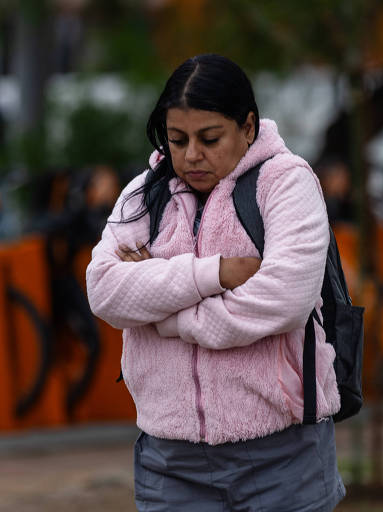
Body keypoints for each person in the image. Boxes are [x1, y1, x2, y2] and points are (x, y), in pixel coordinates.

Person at [86, 54, 345, 511]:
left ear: (248, 127)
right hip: (170, 461)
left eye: (209, 139)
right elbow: (104, 290)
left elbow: (285, 300)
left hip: (282, 455)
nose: (190, 156)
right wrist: (215, 273)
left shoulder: (286, 183)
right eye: (177, 140)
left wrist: (165, 313)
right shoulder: (144, 194)